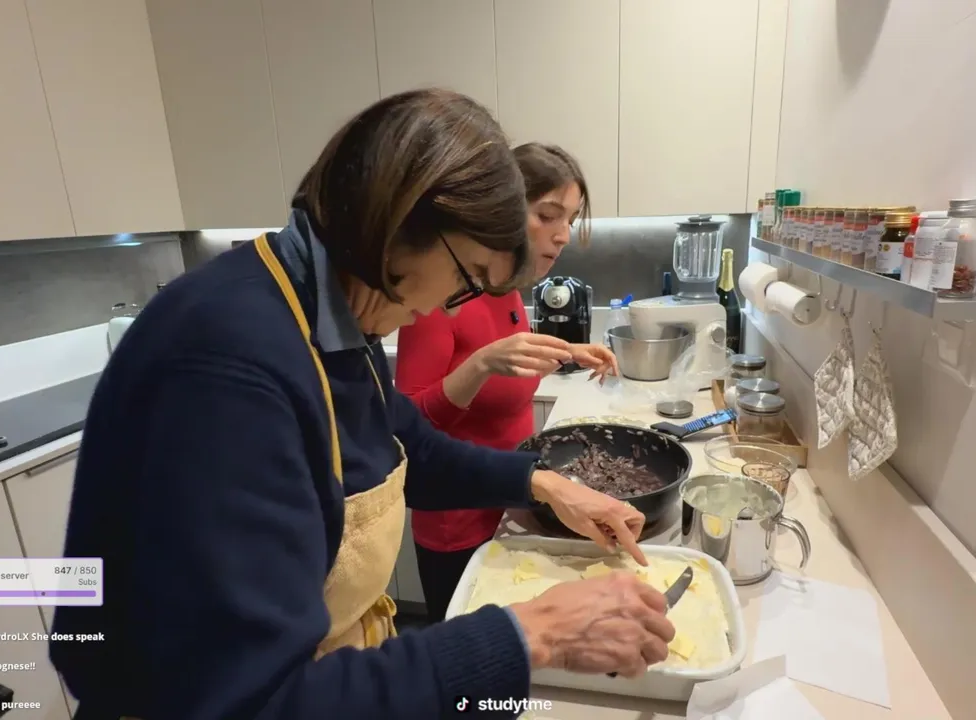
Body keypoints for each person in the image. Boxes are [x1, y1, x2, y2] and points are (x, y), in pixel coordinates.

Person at [49, 89, 675, 720]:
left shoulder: (339, 315)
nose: (448, 305)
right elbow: (253, 702)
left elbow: (409, 447)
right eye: (467, 275)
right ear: (400, 222)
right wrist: (530, 636)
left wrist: (543, 483)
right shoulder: (226, 366)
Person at [396, 142, 619, 622]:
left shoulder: (506, 290)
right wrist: (480, 364)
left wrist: (567, 354)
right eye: (548, 215)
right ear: (501, 210)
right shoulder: (440, 295)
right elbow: (407, 428)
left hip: (513, 504)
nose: (563, 235)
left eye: (570, 220)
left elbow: (508, 372)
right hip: (459, 523)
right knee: (469, 661)